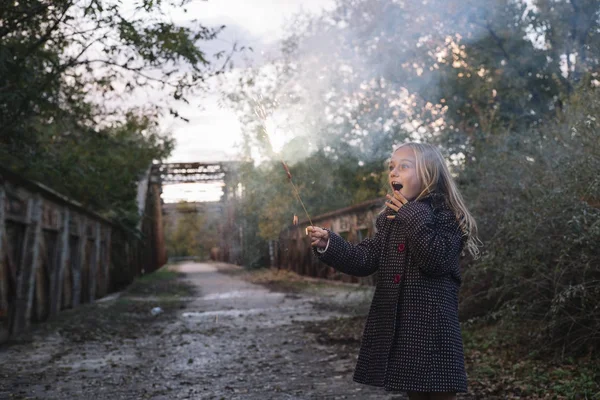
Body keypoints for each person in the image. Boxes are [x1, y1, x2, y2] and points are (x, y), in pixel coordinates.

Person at [307, 142, 480, 400]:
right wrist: (330, 244)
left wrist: (410, 215)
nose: (394, 173)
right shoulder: (390, 221)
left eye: (404, 166)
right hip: (407, 331)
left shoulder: (447, 216)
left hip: (436, 332)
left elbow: (436, 259)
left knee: (440, 394)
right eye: (391, 167)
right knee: (416, 395)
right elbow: (365, 259)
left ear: (429, 174)